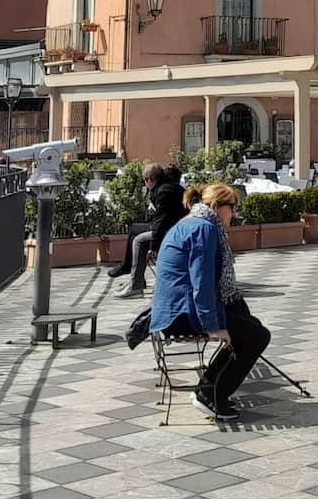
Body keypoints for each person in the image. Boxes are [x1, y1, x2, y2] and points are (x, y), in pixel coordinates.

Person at [150, 182, 271, 423]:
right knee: (257, 336)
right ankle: (208, 394)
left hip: (173, 310)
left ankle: (212, 389)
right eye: (232, 207)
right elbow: (201, 283)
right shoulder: (204, 229)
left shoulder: (191, 222)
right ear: (216, 206)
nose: (234, 214)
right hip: (181, 315)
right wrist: (213, 326)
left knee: (250, 326)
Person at [112, 163, 185, 298]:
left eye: (145, 180)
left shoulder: (163, 192)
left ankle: (135, 286)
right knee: (134, 229)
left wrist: (154, 245)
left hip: (171, 231)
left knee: (139, 241)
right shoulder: (166, 187)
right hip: (172, 227)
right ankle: (133, 274)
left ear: (150, 180)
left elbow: (161, 221)